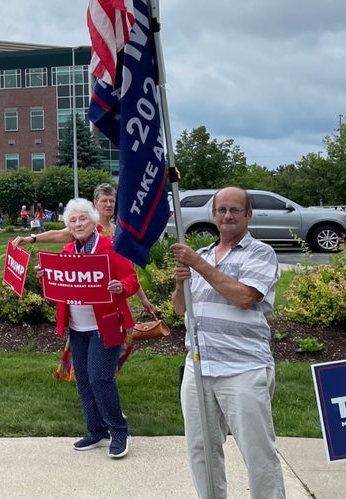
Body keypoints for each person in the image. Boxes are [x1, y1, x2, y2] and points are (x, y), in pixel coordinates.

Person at [171, 187, 285, 499]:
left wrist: (197, 264)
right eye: (222, 210)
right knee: (201, 450)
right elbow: (180, 308)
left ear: (248, 215)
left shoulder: (260, 253)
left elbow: (245, 297)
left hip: (242, 368)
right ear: (213, 215)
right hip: (198, 367)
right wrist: (181, 281)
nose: (227, 216)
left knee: (258, 452)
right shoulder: (205, 255)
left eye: (235, 210)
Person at [46, 199, 139, 459]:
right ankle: (96, 431)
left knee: (100, 378)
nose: (77, 224)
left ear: (93, 220)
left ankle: (119, 431)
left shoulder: (111, 247)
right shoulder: (66, 252)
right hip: (77, 327)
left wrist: (122, 287)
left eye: (82, 219)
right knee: (84, 381)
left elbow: (131, 278)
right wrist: (48, 278)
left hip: (106, 325)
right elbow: (59, 292)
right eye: (73, 220)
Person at [17, 184, 157, 317]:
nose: (108, 205)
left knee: (116, 335)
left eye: (112, 201)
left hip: (112, 297)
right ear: (95, 203)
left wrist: (143, 298)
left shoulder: (117, 231)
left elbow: (128, 269)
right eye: (104, 201)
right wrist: (31, 238)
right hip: (85, 300)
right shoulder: (87, 226)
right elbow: (58, 234)